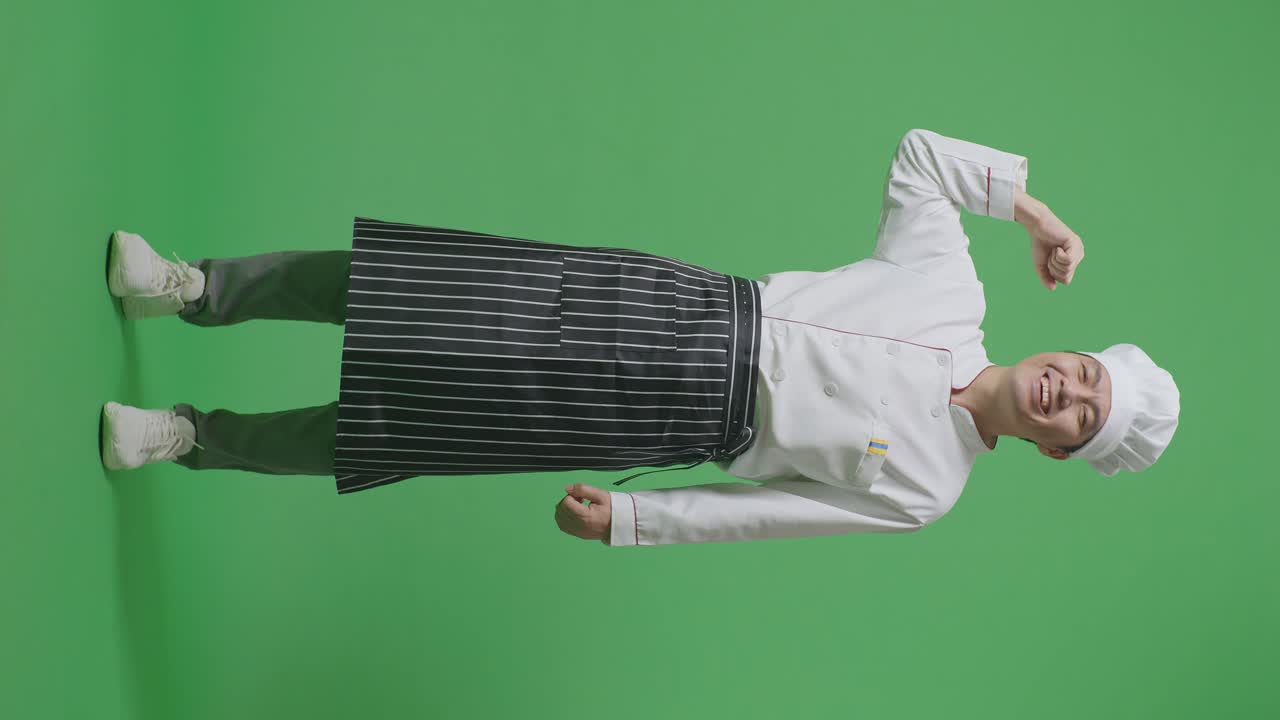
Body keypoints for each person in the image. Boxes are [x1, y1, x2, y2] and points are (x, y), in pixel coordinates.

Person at [101, 129, 1180, 548]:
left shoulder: (928, 494)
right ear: (1065, 352)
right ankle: (192, 289)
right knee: (424, 286)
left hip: (673, 417)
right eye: (1083, 376)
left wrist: (632, 518)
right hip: (683, 308)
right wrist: (1030, 208)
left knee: (418, 418)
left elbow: (769, 513)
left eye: (1080, 419)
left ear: (1054, 449)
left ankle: (188, 437)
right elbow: (918, 158)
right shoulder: (948, 285)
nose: (1067, 396)